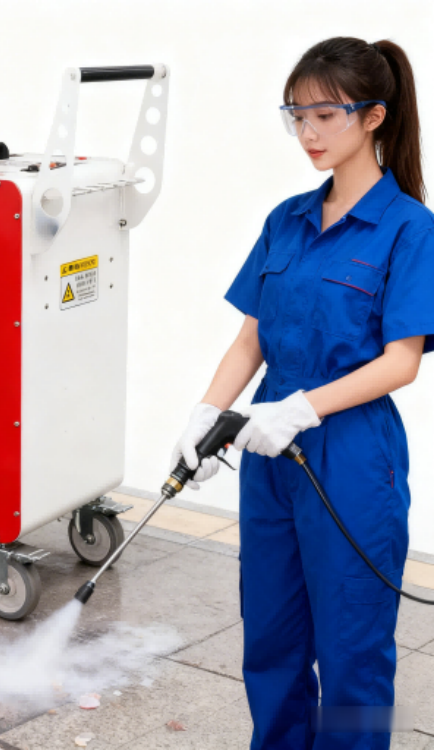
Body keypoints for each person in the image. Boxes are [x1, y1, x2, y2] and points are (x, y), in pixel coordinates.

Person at [171, 37, 434, 749]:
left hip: (351, 455)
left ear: (374, 117)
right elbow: (250, 339)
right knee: (272, 636)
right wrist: (206, 413)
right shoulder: (286, 219)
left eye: (325, 115)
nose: (308, 133)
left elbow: (402, 362)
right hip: (268, 454)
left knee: (351, 649)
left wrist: (304, 408)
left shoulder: (410, 229)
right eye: (296, 116)